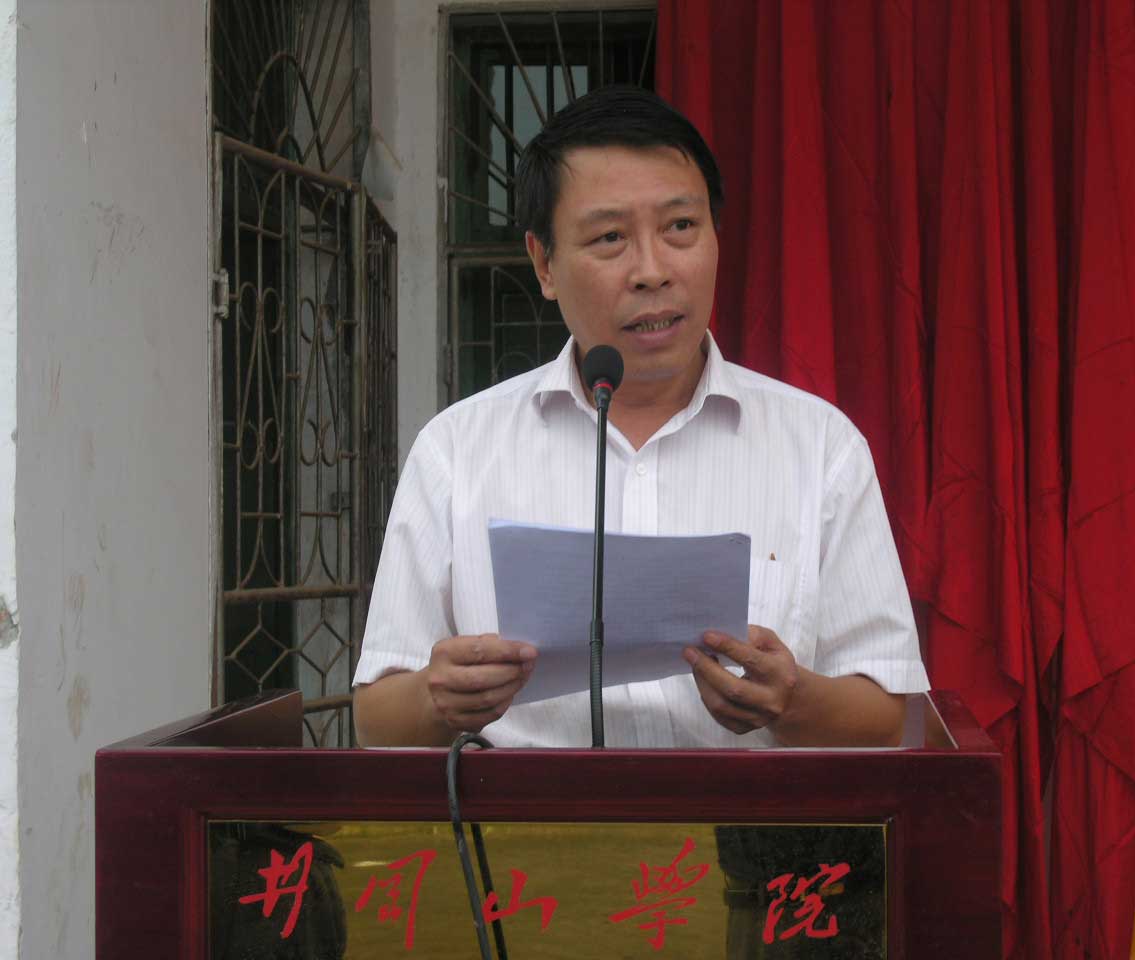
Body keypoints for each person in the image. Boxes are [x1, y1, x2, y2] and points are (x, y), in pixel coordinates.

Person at [352, 86, 928, 749]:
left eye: (680, 227)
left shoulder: (821, 446)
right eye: (610, 238)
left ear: (715, 238)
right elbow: (375, 719)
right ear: (544, 263)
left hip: (750, 815)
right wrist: (437, 697)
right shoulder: (455, 449)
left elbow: (894, 717)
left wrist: (794, 701)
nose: (652, 272)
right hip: (518, 814)